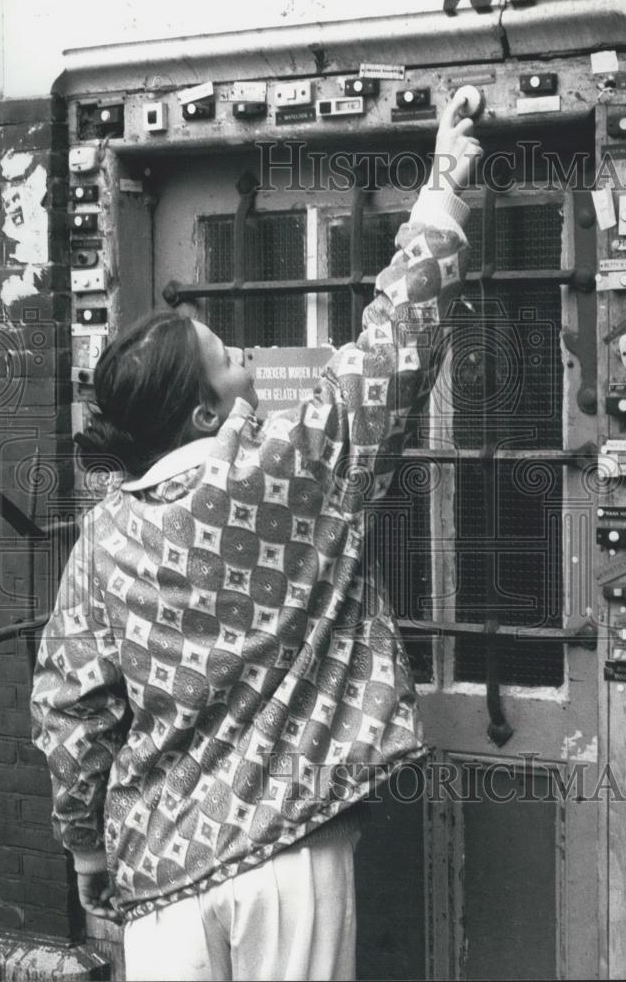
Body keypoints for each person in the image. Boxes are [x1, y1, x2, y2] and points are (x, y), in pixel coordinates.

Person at [30, 89, 482, 981]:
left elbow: (70, 708)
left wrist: (86, 849)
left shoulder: (102, 539)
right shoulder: (295, 473)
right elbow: (393, 350)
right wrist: (443, 186)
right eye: (233, 358)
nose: (249, 363)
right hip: (289, 856)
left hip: (159, 877)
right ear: (207, 408)